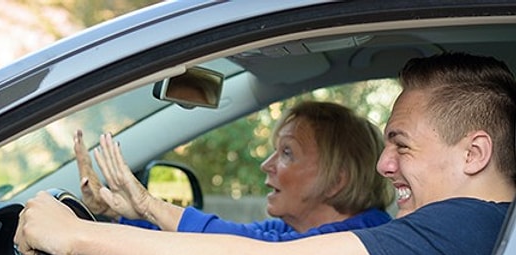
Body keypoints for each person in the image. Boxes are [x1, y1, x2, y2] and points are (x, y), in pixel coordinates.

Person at [15, 52, 516, 255]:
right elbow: (241, 247)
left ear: (474, 154)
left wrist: (77, 237)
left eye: (401, 147)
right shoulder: (483, 235)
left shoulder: (462, 230)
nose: (385, 165)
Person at [74, 101, 394, 242]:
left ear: (337, 181)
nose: (266, 165)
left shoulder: (362, 240)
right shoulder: (294, 232)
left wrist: (148, 206)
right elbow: (222, 243)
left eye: (286, 153)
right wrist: (118, 213)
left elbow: (246, 253)